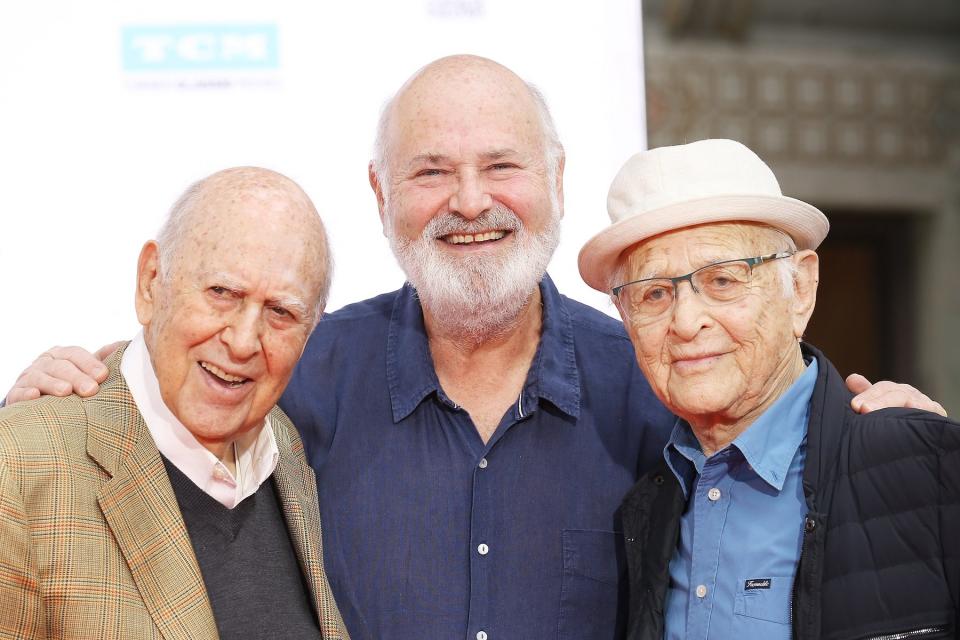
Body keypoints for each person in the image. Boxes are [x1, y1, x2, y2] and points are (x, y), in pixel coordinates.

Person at [4, 58, 945, 639]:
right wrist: (78, 387)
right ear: (380, 194)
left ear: (555, 180)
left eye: (501, 166)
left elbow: (779, 434)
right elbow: (184, 379)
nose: (468, 201)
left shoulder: (656, 385)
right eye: (430, 171)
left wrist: (871, 438)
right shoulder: (304, 378)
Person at [577, 138, 960, 639]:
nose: (687, 322)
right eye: (653, 293)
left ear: (799, 289)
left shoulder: (928, 470)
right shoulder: (645, 507)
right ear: (626, 320)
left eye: (722, 281)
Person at [0, 168, 350, 639]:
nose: (245, 341)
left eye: (280, 312)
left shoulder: (285, 449)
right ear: (151, 282)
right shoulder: (19, 467)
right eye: (222, 293)